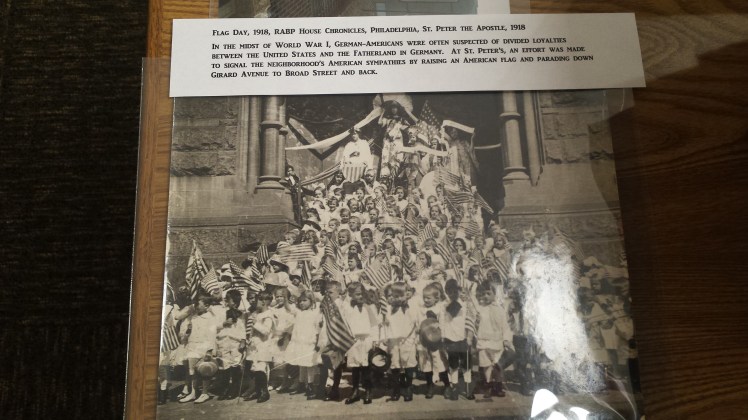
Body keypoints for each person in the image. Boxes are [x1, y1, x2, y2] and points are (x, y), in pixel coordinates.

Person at [339, 282, 378, 404]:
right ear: (351, 295)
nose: (360, 296)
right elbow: (344, 323)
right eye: (357, 294)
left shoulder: (369, 307)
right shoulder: (347, 308)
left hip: (366, 339)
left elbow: (374, 324)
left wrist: (374, 339)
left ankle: (368, 390)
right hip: (354, 340)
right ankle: (355, 391)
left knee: (367, 367)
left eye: (361, 294)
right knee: (355, 367)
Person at [474, 281, 513, 398]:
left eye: (488, 293)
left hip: (496, 342)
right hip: (483, 342)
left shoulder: (499, 310)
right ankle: (487, 384)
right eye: (483, 294)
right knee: (485, 365)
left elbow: (505, 326)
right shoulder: (480, 310)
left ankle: (498, 386)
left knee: (497, 365)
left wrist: (506, 339)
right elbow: (476, 326)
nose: (486, 296)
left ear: (494, 294)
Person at [179, 294, 220, 404]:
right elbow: (187, 333)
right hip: (193, 346)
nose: (196, 306)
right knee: (192, 372)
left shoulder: (210, 318)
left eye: (198, 304)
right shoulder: (193, 317)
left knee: (204, 370)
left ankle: (205, 393)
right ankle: (193, 393)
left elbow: (212, 335)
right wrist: (188, 331)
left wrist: (209, 351)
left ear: (206, 306)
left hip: (204, 346)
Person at [381, 282, 419, 402]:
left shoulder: (411, 306)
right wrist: (384, 337)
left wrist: (407, 305)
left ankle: (408, 387)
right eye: (393, 295)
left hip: (407, 339)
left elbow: (415, 322)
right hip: (393, 339)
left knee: (408, 363)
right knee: (395, 364)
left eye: (399, 296)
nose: (396, 298)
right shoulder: (387, 308)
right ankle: (396, 388)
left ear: (406, 295)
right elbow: (383, 324)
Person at [441, 279, 476, 400]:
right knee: (453, 364)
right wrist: (443, 337)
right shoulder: (444, 305)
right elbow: (442, 322)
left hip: (463, 339)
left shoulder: (465, 305)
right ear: (446, 292)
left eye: (455, 291)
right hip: (450, 338)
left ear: (459, 291)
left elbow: (469, 321)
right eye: (449, 292)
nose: (453, 294)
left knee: (466, 364)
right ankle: (454, 386)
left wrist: (469, 337)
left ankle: (468, 386)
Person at [285, 290, 323, 399]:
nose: (302, 303)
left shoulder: (315, 312)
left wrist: (316, 340)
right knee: (301, 364)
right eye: (300, 301)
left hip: (309, 342)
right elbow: (288, 307)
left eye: (305, 300)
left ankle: (310, 386)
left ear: (311, 301)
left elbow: (317, 327)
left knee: (309, 364)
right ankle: (302, 384)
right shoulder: (299, 312)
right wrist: (285, 295)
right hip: (299, 342)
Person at [245, 291, 275, 403]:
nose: (254, 302)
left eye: (256, 300)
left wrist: (255, 323)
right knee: (254, 369)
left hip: (264, 345)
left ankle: (264, 392)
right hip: (254, 345)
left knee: (260, 368)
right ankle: (258, 391)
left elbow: (266, 331)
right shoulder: (256, 314)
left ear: (263, 302)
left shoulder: (268, 315)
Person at [214, 308, 246, 400]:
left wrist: (243, 341)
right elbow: (213, 326)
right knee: (224, 367)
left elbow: (243, 330)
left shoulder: (240, 317)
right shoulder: (220, 312)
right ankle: (225, 389)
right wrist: (223, 323)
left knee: (235, 366)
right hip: (223, 342)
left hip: (235, 344)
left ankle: (234, 389)